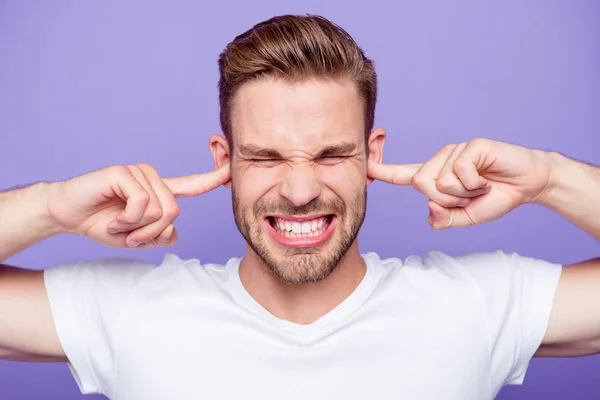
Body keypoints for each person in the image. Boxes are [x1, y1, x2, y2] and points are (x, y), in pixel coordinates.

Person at [0, 14, 598, 400]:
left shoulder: (475, 304)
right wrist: (52, 207)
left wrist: (547, 178)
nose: (300, 190)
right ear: (224, 160)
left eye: (332, 154)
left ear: (373, 153)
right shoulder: (130, 311)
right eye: (264, 158)